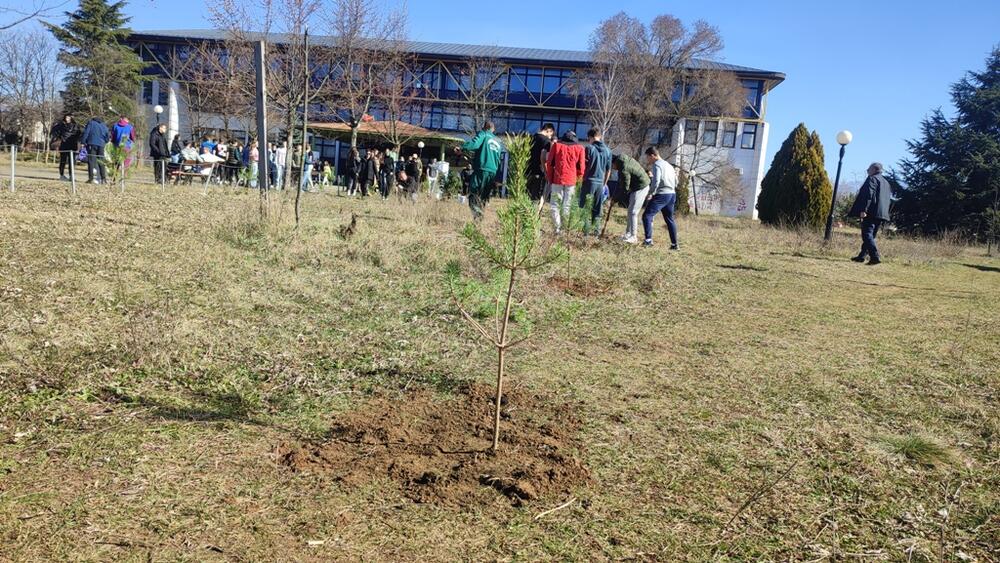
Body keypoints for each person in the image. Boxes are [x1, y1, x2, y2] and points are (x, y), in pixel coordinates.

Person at [454, 121, 503, 219]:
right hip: (493, 171)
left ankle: (477, 216)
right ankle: (480, 219)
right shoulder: (498, 141)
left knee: (473, 192)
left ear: (484, 127)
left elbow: (474, 144)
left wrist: (462, 148)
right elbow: (498, 159)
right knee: (484, 196)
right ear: (493, 129)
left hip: (482, 168)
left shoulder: (483, 134)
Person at [848, 162, 893, 265]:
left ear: (874, 169)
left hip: (871, 212)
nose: (867, 171)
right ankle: (862, 256)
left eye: (868, 169)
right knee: (871, 235)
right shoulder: (886, 183)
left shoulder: (872, 179)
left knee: (867, 234)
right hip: (881, 214)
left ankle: (875, 256)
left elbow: (868, 195)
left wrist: (864, 210)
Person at [545, 130, 585, 234]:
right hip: (571, 179)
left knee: (555, 204)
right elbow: (581, 167)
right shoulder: (580, 148)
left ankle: (557, 228)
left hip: (557, 178)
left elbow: (549, 163)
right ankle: (564, 227)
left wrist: (550, 177)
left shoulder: (556, 146)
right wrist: (578, 179)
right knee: (567, 205)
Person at [641, 147, 679, 249]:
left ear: (653, 155)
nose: (648, 160)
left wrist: (651, 193)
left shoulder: (657, 165)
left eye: (648, 157)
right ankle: (674, 245)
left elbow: (656, 181)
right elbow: (676, 181)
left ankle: (648, 241)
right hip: (672, 194)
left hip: (662, 194)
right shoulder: (669, 165)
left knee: (647, 216)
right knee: (669, 219)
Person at [611, 153, 650, 244]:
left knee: (633, 212)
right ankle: (628, 234)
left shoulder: (624, 168)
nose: (612, 168)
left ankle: (634, 237)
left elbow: (625, 188)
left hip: (641, 187)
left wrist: (615, 199)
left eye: (612, 166)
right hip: (636, 187)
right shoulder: (623, 161)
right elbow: (621, 183)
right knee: (630, 211)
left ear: (615, 163)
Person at [581, 128, 613, 235]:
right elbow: (608, 170)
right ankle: (596, 232)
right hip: (600, 182)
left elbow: (583, 166)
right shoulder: (608, 151)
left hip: (588, 181)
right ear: (600, 136)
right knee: (597, 208)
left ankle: (585, 231)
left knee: (586, 206)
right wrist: (604, 183)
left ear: (590, 137)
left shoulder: (589, 148)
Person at [528, 123, 555, 200]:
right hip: (539, 172)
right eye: (551, 134)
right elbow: (546, 158)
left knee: (527, 194)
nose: (551, 136)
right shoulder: (546, 141)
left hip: (528, 171)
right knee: (536, 197)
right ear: (548, 130)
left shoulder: (531, 138)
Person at [51, 114, 81, 181]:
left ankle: (71, 176)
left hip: (72, 145)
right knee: (63, 161)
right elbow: (54, 132)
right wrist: (59, 138)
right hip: (64, 145)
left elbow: (78, 134)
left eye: (68, 117)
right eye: (66, 117)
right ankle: (62, 175)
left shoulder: (75, 126)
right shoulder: (61, 125)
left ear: (71, 118)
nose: (67, 118)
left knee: (72, 162)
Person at [80, 116, 109, 184]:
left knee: (91, 161)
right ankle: (103, 179)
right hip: (101, 144)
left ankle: (91, 178)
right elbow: (107, 135)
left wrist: (83, 142)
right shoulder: (103, 125)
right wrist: (105, 141)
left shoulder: (91, 123)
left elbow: (86, 132)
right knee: (101, 161)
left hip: (92, 143)